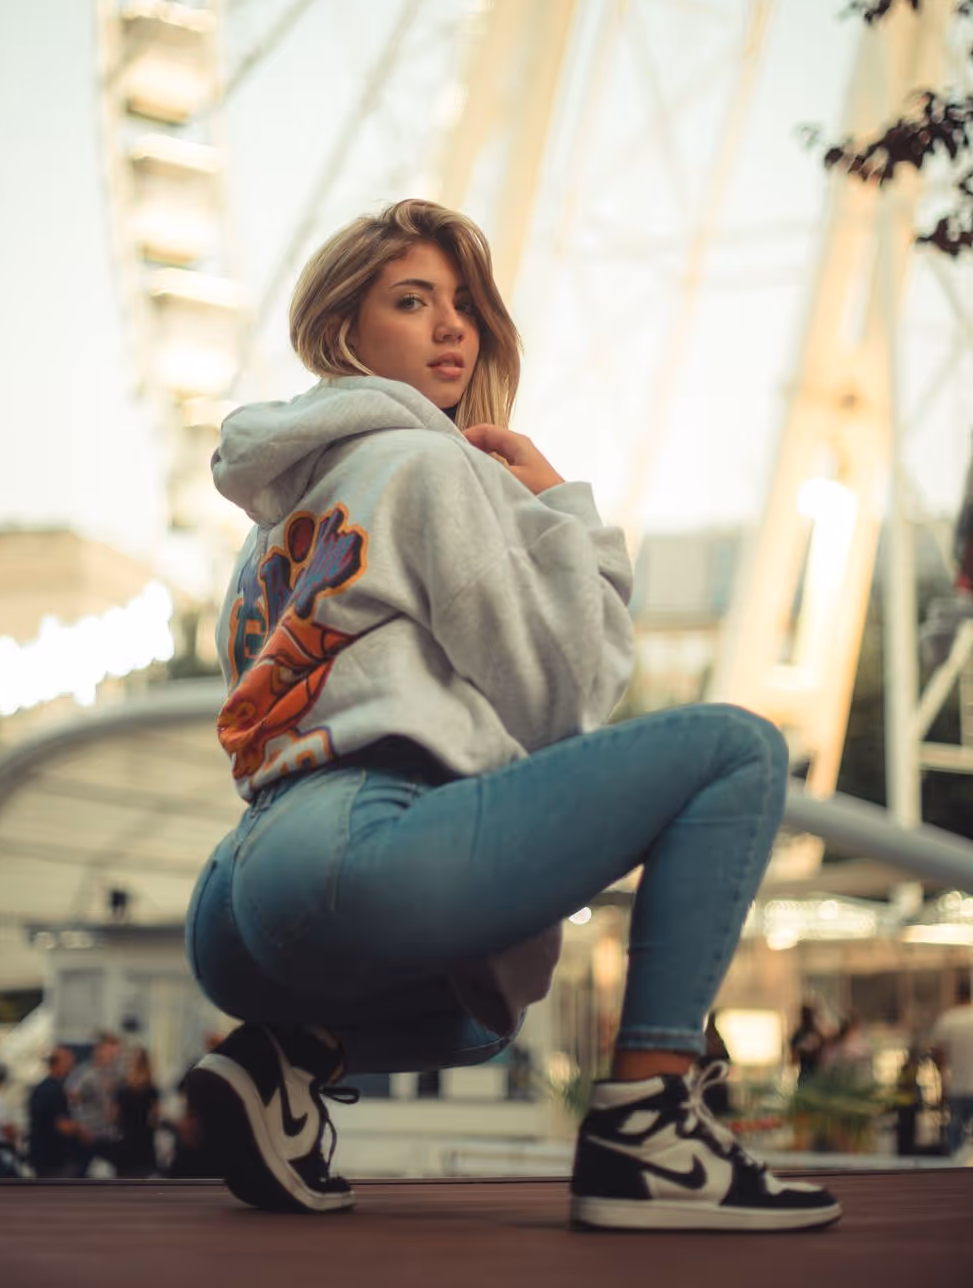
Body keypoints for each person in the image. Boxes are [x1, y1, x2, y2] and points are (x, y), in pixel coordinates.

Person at [184, 199, 840, 1233]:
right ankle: (649, 1124)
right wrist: (567, 514)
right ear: (342, 329)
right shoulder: (427, 464)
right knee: (738, 750)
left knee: (475, 1017)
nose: (454, 326)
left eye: (463, 304)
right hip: (360, 843)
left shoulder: (271, 525)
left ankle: (287, 1057)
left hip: (237, 902)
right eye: (413, 301)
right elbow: (564, 691)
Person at [67, 1033, 123, 1173]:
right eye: (110, 1050)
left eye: (115, 1051)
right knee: (81, 1173)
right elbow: (72, 1100)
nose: (113, 1055)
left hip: (110, 1133)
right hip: (90, 1133)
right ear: (99, 1050)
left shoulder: (116, 1072)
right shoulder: (85, 1072)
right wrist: (81, 1127)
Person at [930, 974, 973, 1155]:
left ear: (956, 995)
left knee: (956, 1135)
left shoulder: (947, 1019)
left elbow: (938, 1054)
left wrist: (942, 1078)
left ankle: (959, 1166)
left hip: (957, 1086)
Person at [28, 1047, 86, 1178]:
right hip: (54, 1159)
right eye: (69, 1060)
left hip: (43, 1156)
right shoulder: (55, 1090)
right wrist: (82, 1129)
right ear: (59, 1063)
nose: (72, 1064)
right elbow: (62, 1126)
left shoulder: (43, 1088)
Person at [113, 1048, 160, 1178]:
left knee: (124, 1180)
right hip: (145, 1141)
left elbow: (114, 1116)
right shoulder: (151, 1088)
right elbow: (156, 1116)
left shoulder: (122, 1088)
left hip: (126, 1137)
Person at [789, 1002, 825, 1087]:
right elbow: (794, 1057)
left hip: (813, 1073)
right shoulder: (803, 1034)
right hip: (807, 1073)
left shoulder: (814, 1033)